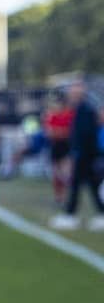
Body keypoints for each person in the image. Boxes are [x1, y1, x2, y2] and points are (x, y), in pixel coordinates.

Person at [53, 80, 102, 230]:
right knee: (89, 185)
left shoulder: (86, 109)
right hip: (84, 153)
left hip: (86, 154)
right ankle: (76, 213)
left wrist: (78, 152)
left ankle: (70, 214)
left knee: (78, 184)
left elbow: (86, 134)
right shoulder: (81, 109)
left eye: (74, 93)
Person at [45, 89, 74, 207]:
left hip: (65, 145)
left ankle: (68, 197)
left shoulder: (69, 114)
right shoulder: (52, 115)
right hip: (56, 146)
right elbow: (49, 132)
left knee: (66, 173)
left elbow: (69, 132)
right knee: (56, 173)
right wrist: (59, 132)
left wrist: (59, 132)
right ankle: (59, 197)